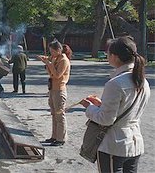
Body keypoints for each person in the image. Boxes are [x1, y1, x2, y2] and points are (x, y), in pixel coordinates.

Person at [80, 36, 150, 173]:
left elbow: (106, 120)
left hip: (114, 144)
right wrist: (101, 105)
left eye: (108, 53)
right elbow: (126, 110)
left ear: (115, 57)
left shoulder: (115, 83)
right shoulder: (143, 81)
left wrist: (89, 108)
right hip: (134, 142)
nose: (107, 56)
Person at [37, 40, 72, 146]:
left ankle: (61, 138)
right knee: (53, 114)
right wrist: (47, 63)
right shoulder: (55, 59)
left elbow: (57, 75)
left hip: (59, 90)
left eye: (52, 51)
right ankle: (54, 136)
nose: (51, 54)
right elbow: (50, 73)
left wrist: (49, 63)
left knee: (59, 114)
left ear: (59, 50)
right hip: (52, 89)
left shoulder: (64, 60)